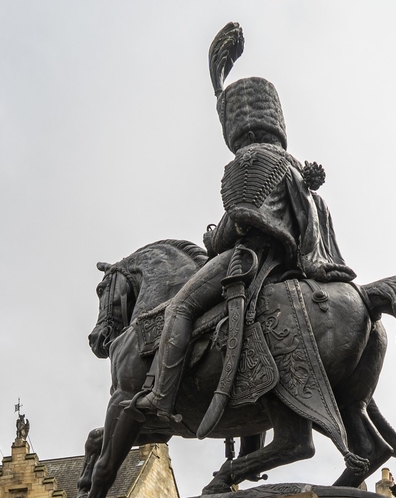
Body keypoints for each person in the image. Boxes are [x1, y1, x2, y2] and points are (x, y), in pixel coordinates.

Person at [131, 22, 355, 426]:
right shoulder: (289, 163)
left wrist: (212, 238)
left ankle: (159, 397)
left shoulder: (250, 162)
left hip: (251, 257)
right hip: (288, 262)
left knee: (180, 306)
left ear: (238, 126)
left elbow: (241, 218)